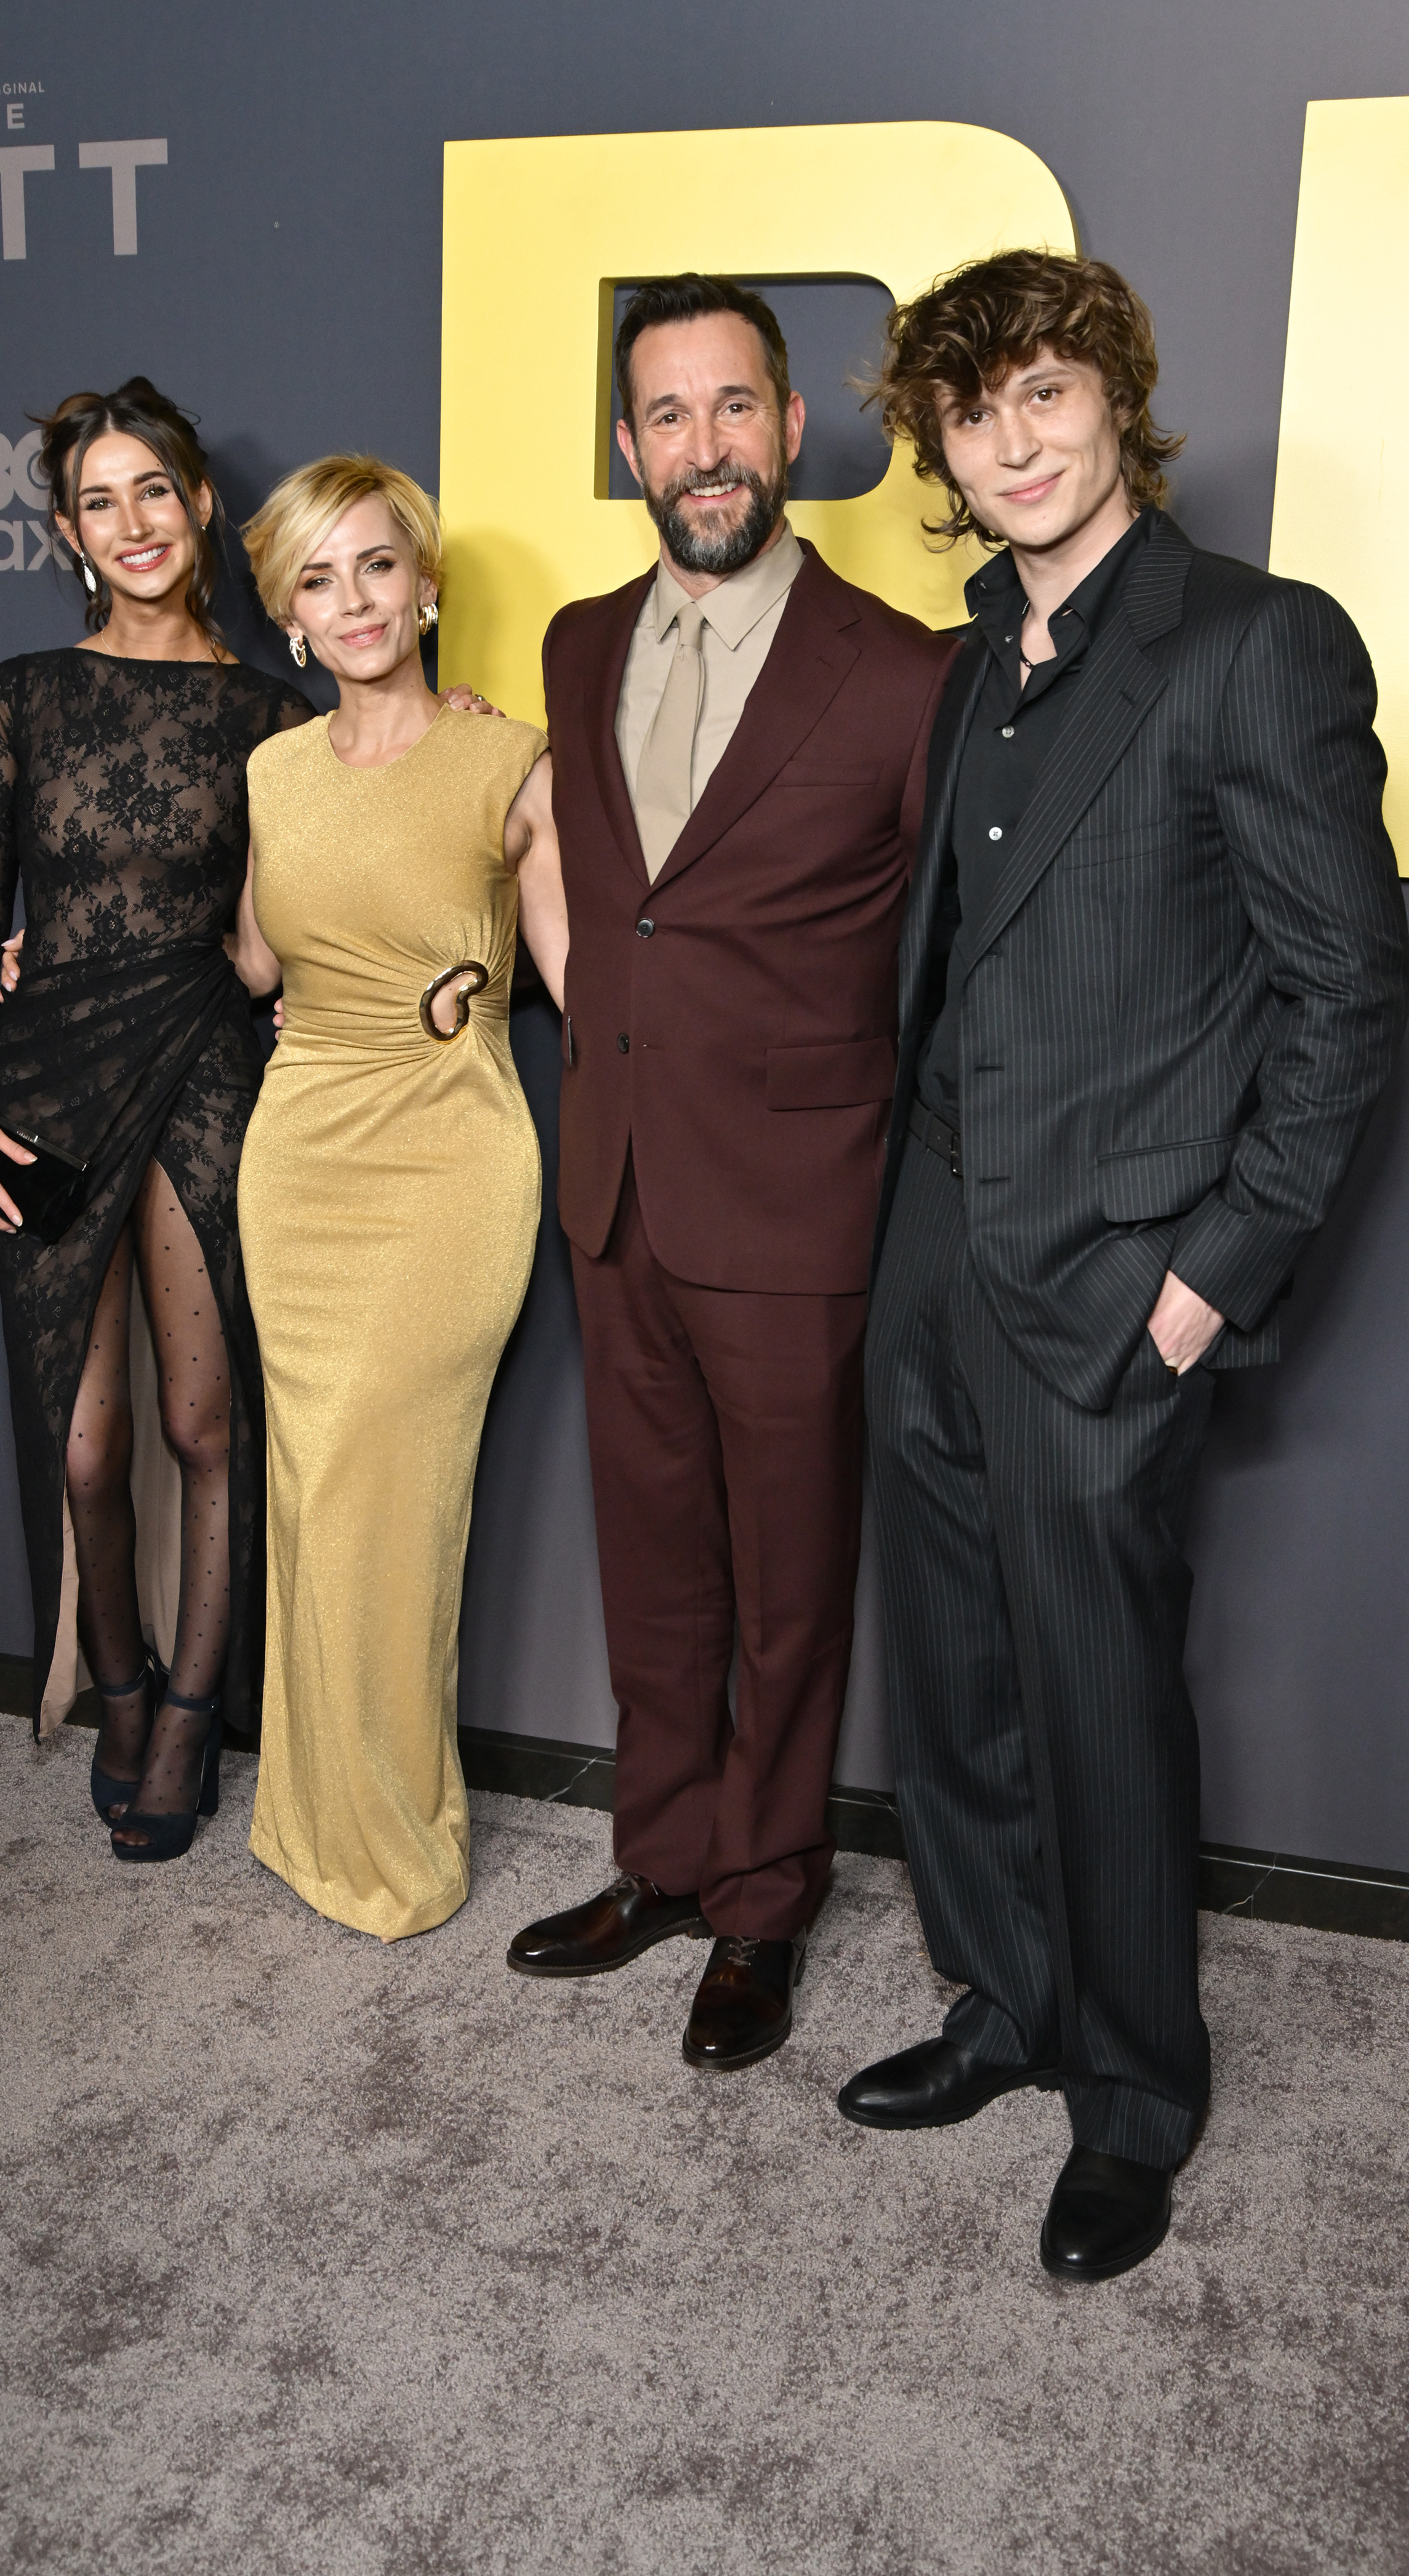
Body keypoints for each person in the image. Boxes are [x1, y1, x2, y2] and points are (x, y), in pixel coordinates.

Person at [838, 251, 1409, 2279]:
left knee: (1092, 1693)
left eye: (1038, 394)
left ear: (1115, 402)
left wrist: (1206, 1277)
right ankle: (999, 2007)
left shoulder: (1249, 646)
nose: (1004, 441)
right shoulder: (957, 663)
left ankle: (1131, 2097)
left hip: (1112, 1276)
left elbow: (1344, 1000)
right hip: (928, 1254)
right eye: (965, 412)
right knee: (954, 1676)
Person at [507, 277, 957, 2068]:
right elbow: (599, 892)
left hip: (795, 1211)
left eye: (732, 408)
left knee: (784, 1584)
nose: (702, 448)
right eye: (665, 417)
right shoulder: (570, 639)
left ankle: (763, 1902)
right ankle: (665, 1855)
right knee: (655, 1564)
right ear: (629, 448)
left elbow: (948, 958)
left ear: (791, 429)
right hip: (611, 1184)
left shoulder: (906, 676)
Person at [0, 376, 314, 1861]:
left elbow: (307, 912)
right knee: (86, 1446)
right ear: (72, 533)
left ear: (201, 503)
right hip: (45, 1077)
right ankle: (121, 1678)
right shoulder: (25, 691)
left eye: (155, 489)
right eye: (101, 500)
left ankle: (197, 1709)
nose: (134, 522)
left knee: (203, 1422)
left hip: (208, 1065)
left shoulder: (276, 714)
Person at [235, 457, 566, 1940]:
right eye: (319, 580)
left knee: (392, 1492)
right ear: (289, 617)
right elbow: (258, 959)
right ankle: (307, 1816)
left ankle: (398, 1845)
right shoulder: (272, 772)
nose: (353, 601)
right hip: (298, 1163)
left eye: (377, 566)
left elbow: (585, 985)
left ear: (426, 586)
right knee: (312, 1490)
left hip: (446, 1163)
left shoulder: (511, 762)